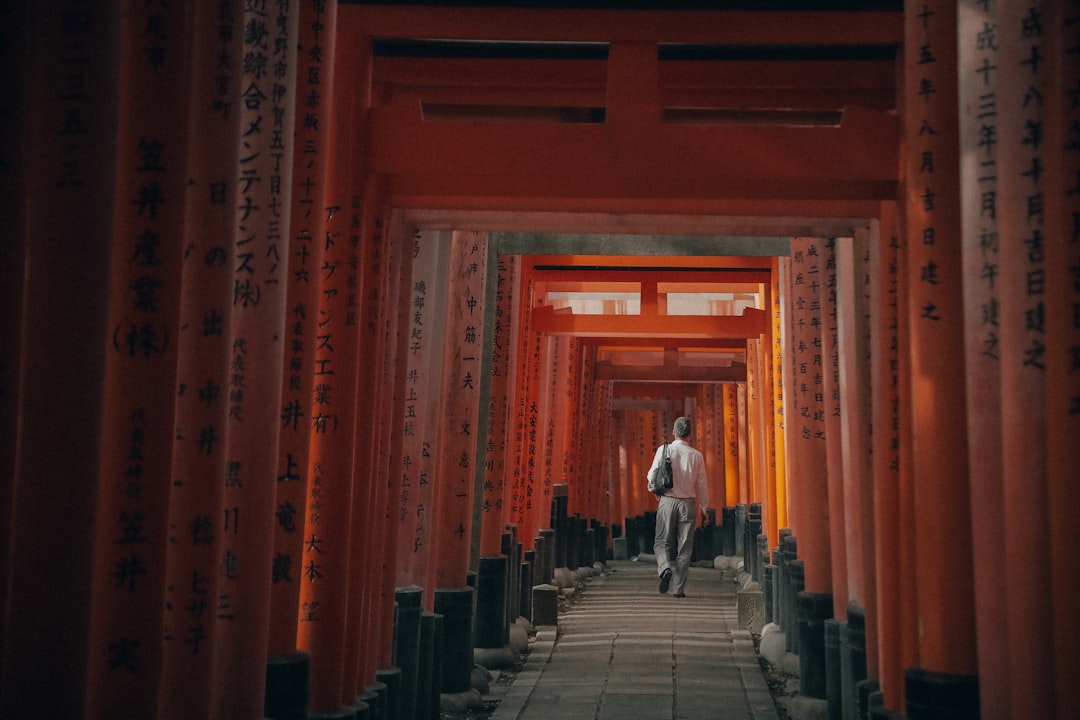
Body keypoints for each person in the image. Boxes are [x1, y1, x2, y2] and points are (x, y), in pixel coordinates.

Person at [646, 416, 709, 597]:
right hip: (688, 503)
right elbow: (702, 484)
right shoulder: (697, 456)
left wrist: (653, 489)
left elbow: (652, 475)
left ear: (674, 432)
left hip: (667, 500)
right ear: (690, 434)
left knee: (661, 541)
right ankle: (678, 589)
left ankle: (665, 567)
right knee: (685, 548)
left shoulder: (664, 450)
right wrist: (704, 507)